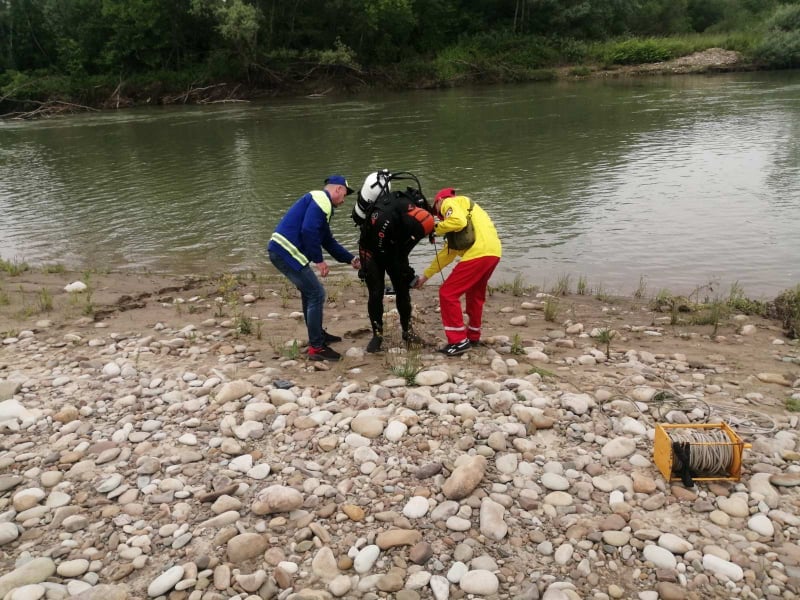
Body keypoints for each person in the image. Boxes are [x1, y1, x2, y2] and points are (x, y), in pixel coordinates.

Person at [267, 174, 361, 361]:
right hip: (285, 250)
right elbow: (308, 230)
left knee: (310, 293)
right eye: (345, 194)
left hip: (281, 250)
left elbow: (327, 241)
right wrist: (319, 261)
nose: (344, 200)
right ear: (338, 189)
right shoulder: (321, 199)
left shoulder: (320, 205)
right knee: (316, 294)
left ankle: (317, 336)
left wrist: (350, 259)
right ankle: (316, 348)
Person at [352, 170, 435, 353]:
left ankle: (407, 332)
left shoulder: (414, 207)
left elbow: (405, 248)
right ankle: (377, 336)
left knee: (403, 291)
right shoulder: (383, 219)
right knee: (376, 292)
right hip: (372, 249)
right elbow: (385, 252)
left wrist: (405, 272)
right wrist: (406, 271)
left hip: (394, 246)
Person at [414, 187, 502, 356]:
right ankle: (473, 336)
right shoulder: (466, 210)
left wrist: (434, 229)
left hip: (479, 253)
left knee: (447, 293)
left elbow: (458, 221)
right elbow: (447, 254)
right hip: (493, 252)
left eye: (435, 209)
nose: (437, 214)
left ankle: (458, 341)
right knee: (475, 294)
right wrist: (425, 277)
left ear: (439, 200)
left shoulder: (449, 202)